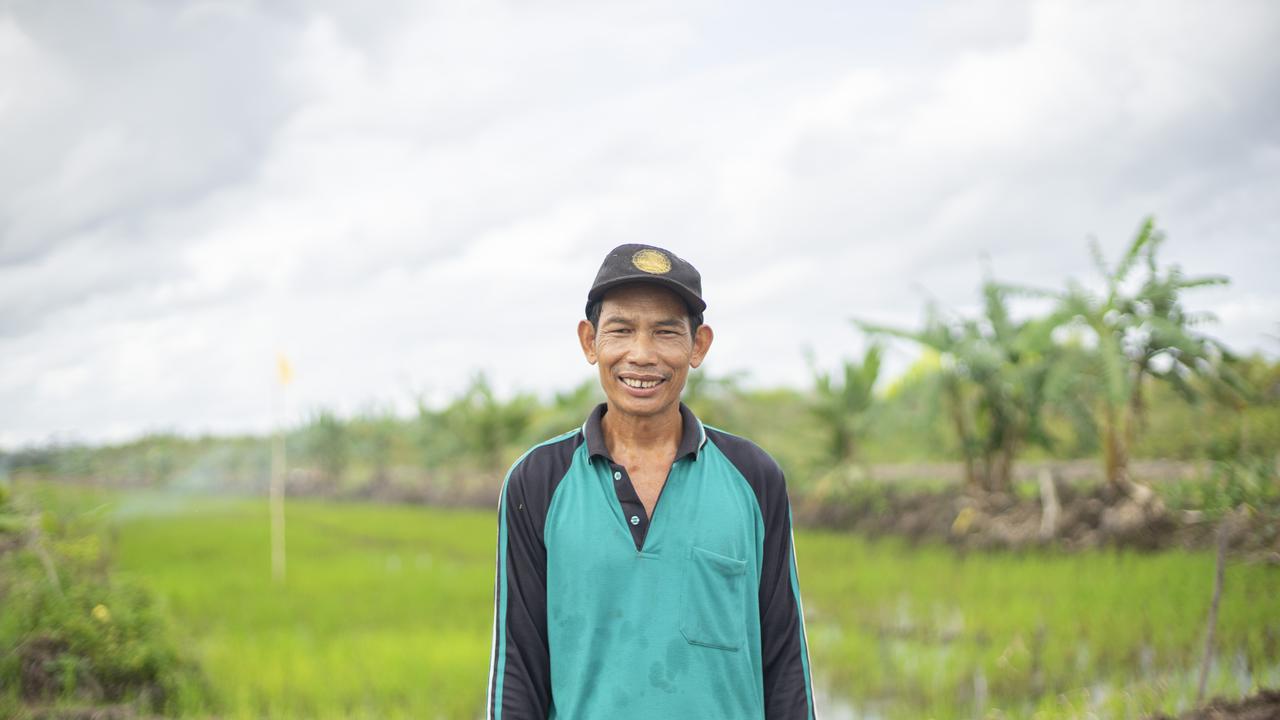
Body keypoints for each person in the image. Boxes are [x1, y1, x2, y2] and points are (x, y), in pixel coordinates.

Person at [486, 244, 814, 719]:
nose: (642, 355)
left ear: (698, 345)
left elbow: (786, 663)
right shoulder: (536, 482)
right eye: (621, 330)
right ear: (589, 341)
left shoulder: (753, 477)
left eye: (665, 332)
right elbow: (517, 664)